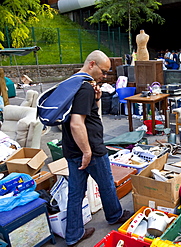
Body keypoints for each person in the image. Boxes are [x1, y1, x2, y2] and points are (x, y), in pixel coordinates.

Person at [62, 50, 132, 247]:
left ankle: (73, 234)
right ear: (92, 64)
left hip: (71, 148)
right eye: (103, 71)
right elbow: (77, 123)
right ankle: (115, 215)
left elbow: (86, 115)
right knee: (107, 183)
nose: (105, 76)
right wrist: (87, 152)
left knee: (76, 192)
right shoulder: (83, 88)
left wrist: (97, 99)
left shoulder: (73, 82)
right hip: (89, 149)